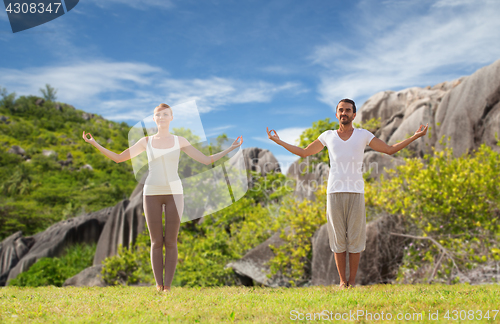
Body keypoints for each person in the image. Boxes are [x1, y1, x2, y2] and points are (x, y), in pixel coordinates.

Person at [266, 98, 427, 289]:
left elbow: (389, 150)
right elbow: (303, 152)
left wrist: (415, 137)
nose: (344, 113)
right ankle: (343, 282)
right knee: (338, 238)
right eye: (341, 110)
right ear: (336, 114)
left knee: (356, 239)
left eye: (348, 110)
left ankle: (352, 281)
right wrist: (278, 141)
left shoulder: (363, 135)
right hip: (334, 192)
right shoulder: (327, 136)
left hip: (356, 192)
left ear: (354, 114)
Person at [83, 103, 243, 292]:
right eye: (158, 115)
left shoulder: (179, 140)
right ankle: (158, 285)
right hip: (151, 192)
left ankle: (167, 286)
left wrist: (230, 148)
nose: (162, 117)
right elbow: (119, 158)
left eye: (165, 114)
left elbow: (206, 160)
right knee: (156, 241)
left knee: (171, 241)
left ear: (171, 118)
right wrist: (94, 143)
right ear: (154, 119)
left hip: (175, 192)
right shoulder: (146, 141)